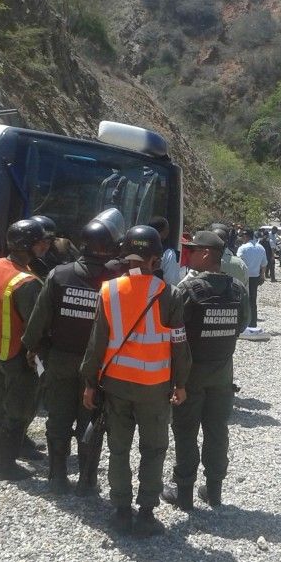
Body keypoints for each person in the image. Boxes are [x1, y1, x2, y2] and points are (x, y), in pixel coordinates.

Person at [80, 225, 191, 536]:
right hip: (154, 389)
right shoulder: (168, 294)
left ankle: (120, 511)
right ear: (155, 259)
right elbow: (179, 344)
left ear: (124, 255)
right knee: (154, 450)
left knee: (118, 449)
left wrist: (90, 382)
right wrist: (181, 383)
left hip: (116, 386)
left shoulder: (108, 291)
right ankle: (145, 514)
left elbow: (96, 343)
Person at [21, 209, 124, 494]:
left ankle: (56, 476)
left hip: (60, 360)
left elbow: (37, 324)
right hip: (100, 367)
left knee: (58, 418)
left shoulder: (58, 275)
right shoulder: (119, 281)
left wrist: (36, 350)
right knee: (91, 421)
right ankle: (88, 481)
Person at [162, 231, 250, 511]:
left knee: (186, 431)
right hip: (223, 375)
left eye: (193, 250)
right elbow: (240, 326)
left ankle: (184, 494)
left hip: (190, 377)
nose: (188, 254)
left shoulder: (187, 291)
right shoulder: (238, 290)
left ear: (206, 254)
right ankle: (214, 491)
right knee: (217, 431)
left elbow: (175, 335)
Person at [0, 219, 51, 482]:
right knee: (18, 411)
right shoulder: (29, 283)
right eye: (40, 242)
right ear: (26, 246)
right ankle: (6, 467)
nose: (44, 246)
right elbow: (36, 326)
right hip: (19, 357)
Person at [29, 214, 80, 279]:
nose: (45, 247)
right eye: (40, 242)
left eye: (49, 242)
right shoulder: (19, 257)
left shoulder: (62, 246)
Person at [236, 230, 267, 330]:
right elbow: (264, 264)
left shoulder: (243, 248)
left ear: (246, 236)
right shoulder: (261, 248)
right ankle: (253, 323)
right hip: (255, 277)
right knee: (253, 300)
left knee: (241, 298)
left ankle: (241, 323)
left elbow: (238, 262)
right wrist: (262, 276)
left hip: (243, 276)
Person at [148, 216, 181, 286]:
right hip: (157, 294)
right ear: (164, 231)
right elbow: (171, 283)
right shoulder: (168, 253)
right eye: (167, 229)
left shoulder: (138, 248)